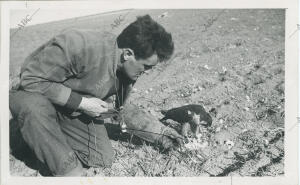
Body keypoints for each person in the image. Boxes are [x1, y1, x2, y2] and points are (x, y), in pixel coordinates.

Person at [9, 14, 182, 176]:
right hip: (31, 93)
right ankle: (22, 132)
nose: (147, 72)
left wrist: (162, 135)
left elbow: (118, 108)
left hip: (66, 106)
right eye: (146, 67)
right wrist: (83, 103)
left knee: (102, 157)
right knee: (69, 169)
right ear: (128, 53)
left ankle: (47, 131)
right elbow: (31, 80)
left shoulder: (126, 69)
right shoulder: (78, 45)